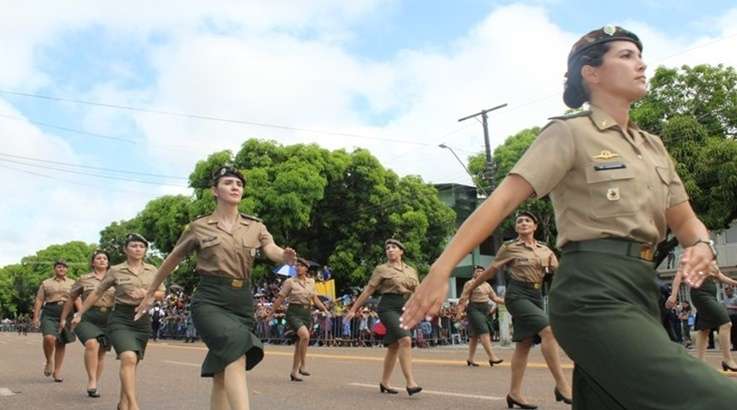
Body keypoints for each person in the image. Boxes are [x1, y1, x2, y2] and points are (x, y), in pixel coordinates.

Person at [401, 25, 737, 408]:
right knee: (713, 398)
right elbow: (500, 201)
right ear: (590, 73)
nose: (641, 64)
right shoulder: (570, 133)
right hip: (591, 292)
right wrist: (442, 268)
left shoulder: (653, 146)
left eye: (640, 55)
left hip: (643, 290)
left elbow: (686, 219)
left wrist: (701, 244)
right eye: (626, 56)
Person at [134, 166, 296, 410]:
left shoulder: (255, 226)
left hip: (241, 301)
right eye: (228, 183)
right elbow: (172, 260)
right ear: (214, 190)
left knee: (222, 374)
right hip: (210, 300)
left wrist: (283, 256)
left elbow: (270, 249)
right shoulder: (199, 227)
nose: (235, 187)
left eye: (239, 184)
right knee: (237, 353)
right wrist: (149, 293)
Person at [459, 212, 571, 408]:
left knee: (524, 344)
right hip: (517, 294)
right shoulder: (509, 247)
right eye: (519, 221)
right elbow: (492, 269)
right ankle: (562, 385)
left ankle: (514, 393)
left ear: (535, 226)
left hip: (536, 296)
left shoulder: (545, 250)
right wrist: (470, 287)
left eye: (528, 220)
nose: (523, 223)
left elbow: (560, 273)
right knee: (548, 330)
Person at [71, 234, 165, 410]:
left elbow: (161, 293)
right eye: (133, 245)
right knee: (128, 357)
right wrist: (80, 313)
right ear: (125, 249)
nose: (138, 249)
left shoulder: (153, 270)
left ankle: (123, 403)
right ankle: (133, 404)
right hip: (120, 318)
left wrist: (146, 293)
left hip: (142, 319)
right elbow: (97, 292)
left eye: (141, 246)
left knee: (132, 362)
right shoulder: (115, 270)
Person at [344, 239, 422, 396]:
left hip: (405, 308)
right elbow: (368, 291)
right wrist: (353, 309)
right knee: (405, 340)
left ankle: (385, 383)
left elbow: (417, 291)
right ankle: (410, 383)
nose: (390, 250)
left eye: (394, 247)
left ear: (401, 251)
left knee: (393, 347)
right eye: (387, 248)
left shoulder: (411, 270)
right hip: (388, 307)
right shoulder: (381, 269)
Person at [60, 250, 115, 397]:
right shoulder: (84, 279)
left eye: (105, 258)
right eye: (98, 258)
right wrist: (63, 318)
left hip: (109, 317)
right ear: (93, 262)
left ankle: (95, 384)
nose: (102, 260)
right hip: (87, 316)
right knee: (92, 343)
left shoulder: (116, 278)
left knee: (101, 353)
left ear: (108, 262)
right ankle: (91, 380)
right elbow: (71, 298)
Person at [667, 262, 737, 370]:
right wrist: (673, 295)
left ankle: (699, 362)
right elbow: (679, 276)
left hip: (711, 295)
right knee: (726, 323)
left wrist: (734, 282)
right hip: (700, 294)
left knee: (704, 329)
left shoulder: (710, 260)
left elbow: (720, 276)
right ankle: (728, 359)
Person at [270, 257, 330, 381]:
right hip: (293, 312)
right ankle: (303, 366)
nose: (298, 268)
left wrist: (325, 309)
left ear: (306, 268)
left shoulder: (311, 282)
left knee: (299, 344)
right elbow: (280, 298)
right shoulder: (290, 282)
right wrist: (271, 312)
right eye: (296, 266)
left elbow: (315, 299)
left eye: (301, 266)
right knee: (305, 336)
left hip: (306, 313)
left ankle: (294, 372)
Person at [32, 259, 77, 382]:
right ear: (54, 269)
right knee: (49, 338)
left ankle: (57, 372)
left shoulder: (73, 283)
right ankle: (48, 361)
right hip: (50, 312)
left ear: (67, 269)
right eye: (58, 267)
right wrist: (35, 317)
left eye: (64, 267)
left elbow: (77, 299)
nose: (61, 269)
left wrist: (80, 315)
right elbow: (39, 300)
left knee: (61, 343)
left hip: (67, 313)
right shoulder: (46, 283)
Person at [457, 264, 504, 367]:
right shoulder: (470, 283)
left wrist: (507, 301)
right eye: (477, 271)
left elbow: (495, 298)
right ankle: (492, 357)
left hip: (485, 310)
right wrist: (459, 312)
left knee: (474, 336)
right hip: (474, 309)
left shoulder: (487, 285)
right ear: (473, 273)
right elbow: (463, 298)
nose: (479, 273)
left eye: (481, 271)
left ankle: (470, 359)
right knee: (484, 331)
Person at [723, 286, 737, 351]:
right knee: (731, 332)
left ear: (732, 291)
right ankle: (734, 345)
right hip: (728, 317)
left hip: (735, 316)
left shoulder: (736, 298)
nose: (726, 293)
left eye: (728, 292)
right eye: (726, 292)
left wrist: (730, 307)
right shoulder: (725, 299)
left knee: (735, 331)